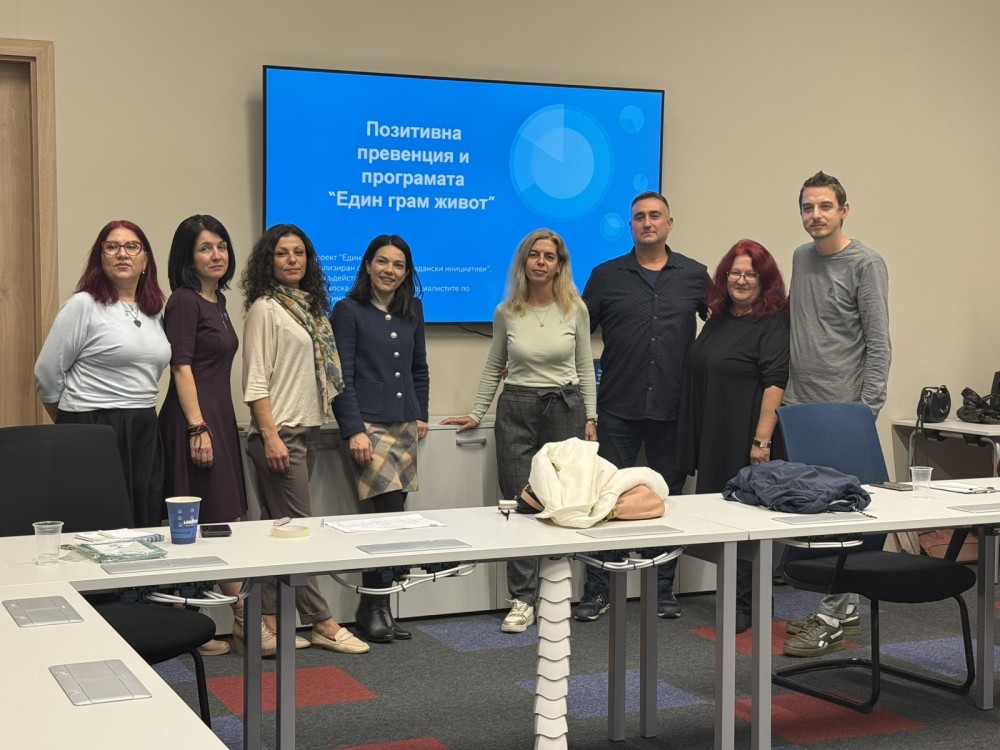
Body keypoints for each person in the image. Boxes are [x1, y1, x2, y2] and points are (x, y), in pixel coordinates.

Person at [441, 229, 597, 633]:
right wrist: (476, 412)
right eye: (534, 255)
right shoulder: (507, 311)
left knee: (561, 502)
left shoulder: (575, 309)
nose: (541, 262)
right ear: (524, 262)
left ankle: (556, 592)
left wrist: (591, 418)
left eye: (549, 256)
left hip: (565, 407)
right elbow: (495, 365)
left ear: (559, 266)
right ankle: (523, 600)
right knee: (517, 503)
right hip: (517, 407)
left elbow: (585, 367)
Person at [577, 191, 711, 622]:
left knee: (667, 500)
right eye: (639, 217)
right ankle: (599, 590)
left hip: (674, 409)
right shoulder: (606, 275)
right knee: (605, 500)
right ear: (630, 225)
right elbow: (575, 334)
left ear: (669, 224)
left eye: (655, 216)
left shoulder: (694, 275)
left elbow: (724, 326)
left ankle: (662, 589)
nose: (647, 223)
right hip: (617, 405)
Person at [241, 223, 369, 656]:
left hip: (306, 431)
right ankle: (323, 622)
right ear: (269, 261)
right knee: (299, 531)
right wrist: (270, 436)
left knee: (278, 528)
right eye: (282, 253)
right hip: (279, 435)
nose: (292, 260)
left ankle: (268, 621)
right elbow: (255, 381)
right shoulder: (266, 309)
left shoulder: (311, 310)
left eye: (299, 252)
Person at [781, 171, 891, 658]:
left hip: (844, 412)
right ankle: (840, 607)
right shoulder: (800, 257)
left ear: (844, 210)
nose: (815, 215)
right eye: (808, 207)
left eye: (825, 206)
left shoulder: (866, 263)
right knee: (816, 518)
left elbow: (879, 344)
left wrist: (865, 413)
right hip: (799, 408)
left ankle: (833, 618)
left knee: (844, 517)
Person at [676, 239, 790, 633]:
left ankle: (748, 605)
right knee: (724, 521)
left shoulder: (772, 322)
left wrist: (761, 442)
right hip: (715, 429)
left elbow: (775, 382)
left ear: (765, 280)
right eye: (734, 273)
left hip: (746, 434)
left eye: (750, 274)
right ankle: (736, 599)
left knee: (745, 522)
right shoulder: (720, 318)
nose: (741, 281)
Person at [35, 220, 170, 528]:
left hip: (144, 426)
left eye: (132, 246)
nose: (122, 253)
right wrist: (72, 422)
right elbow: (46, 372)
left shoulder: (154, 310)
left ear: (145, 260)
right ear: (101, 258)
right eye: (112, 247)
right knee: (96, 526)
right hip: (92, 427)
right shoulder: (83, 305)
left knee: (142, 522)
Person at [332, 234, 429, 644]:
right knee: (387, 518)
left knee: (395, 520)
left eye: (398, 264)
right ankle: (371, 608)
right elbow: (341, 377)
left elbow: (419, 368)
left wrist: (421, 413)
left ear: (407, 272)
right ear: (368, 265)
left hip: (404, 425)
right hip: (369, 427)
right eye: (383, 262)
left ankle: (381, 609)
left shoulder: (412, 310)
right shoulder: (347, 310)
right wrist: (353, 429)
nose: (390, 270)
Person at [158, 215, 248, 656]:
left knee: (218, 518)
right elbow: (181, 366)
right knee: (204, 520)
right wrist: (198, 427)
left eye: (222, 246)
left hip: (219, 418)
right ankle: (240, 622)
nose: (217, 255)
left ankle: (211, 625)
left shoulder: (219, 300)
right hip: (194, 421)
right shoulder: (184, 301)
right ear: (187, 256)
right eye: (205, 248)